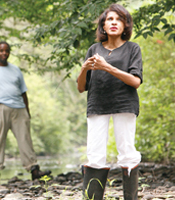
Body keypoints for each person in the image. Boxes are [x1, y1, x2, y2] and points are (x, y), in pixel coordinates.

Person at [77, 4, 142, 200]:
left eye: (119, 19)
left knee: (127, 152)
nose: (114, 23)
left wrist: (107, 67)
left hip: (124, 104)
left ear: (125, 25)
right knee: (94, 154)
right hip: (97, 105)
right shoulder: (93, 49)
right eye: (110, 19)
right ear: (103, 26)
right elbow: (81, 87)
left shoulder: (133, 48)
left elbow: (135, 81)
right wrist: (83, 69)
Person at [0, 41, 51, 184]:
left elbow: (23, 92)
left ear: (9, 52)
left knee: (25, 139)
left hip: (19, 109)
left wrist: (27, 111)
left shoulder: (15, 70)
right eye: (1, 50)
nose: (4, 53)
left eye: (7, 51)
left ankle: (34, 170)